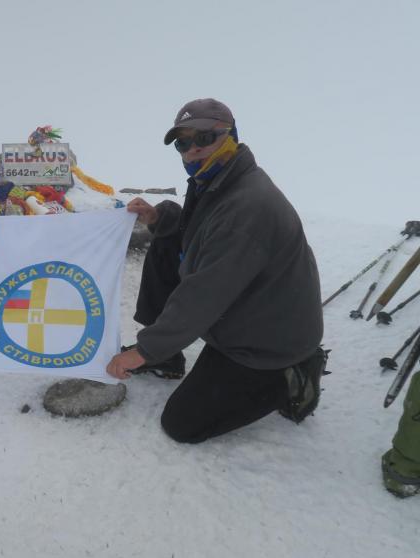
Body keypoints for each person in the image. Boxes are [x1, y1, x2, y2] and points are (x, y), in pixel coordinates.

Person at [106, 98, 326, 444]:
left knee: (182, 423)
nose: (192, 149)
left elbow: (202, 296)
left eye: (205, 138)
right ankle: (169, 358)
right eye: (183, 142)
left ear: (230, 136)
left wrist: (143, 351)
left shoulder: (247, 207)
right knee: (165, 240)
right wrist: (160, 218)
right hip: (245, 312)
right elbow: (199, 231)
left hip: (267, 342)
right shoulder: (220, 177)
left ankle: (289, 376)